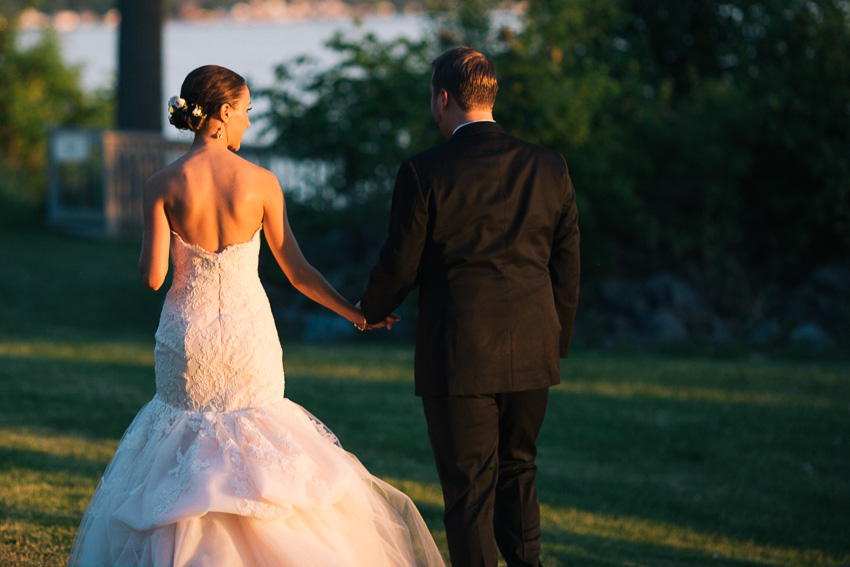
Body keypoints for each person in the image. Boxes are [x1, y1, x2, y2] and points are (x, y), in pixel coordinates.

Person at [68, 65, 444, 567]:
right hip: (249, 336)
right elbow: (298, 271)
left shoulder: (162, 183)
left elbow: (153, 277)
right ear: (222, 113)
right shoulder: (262, 182)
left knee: (185, 439)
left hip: (189, 339)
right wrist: (355, 314)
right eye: (246, 112)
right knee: (258, 436)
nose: (247, 122)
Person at [359, 47, 580, 567]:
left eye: (431, 99)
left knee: (468, 488)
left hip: (458, 353)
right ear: (490, 94)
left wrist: (370, 309)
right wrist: (555, 339)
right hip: (532, 349)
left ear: (444, 98)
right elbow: (567, 264)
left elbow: (401, 262)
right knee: (519, 470)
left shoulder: (423, 171)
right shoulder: (549, 167)